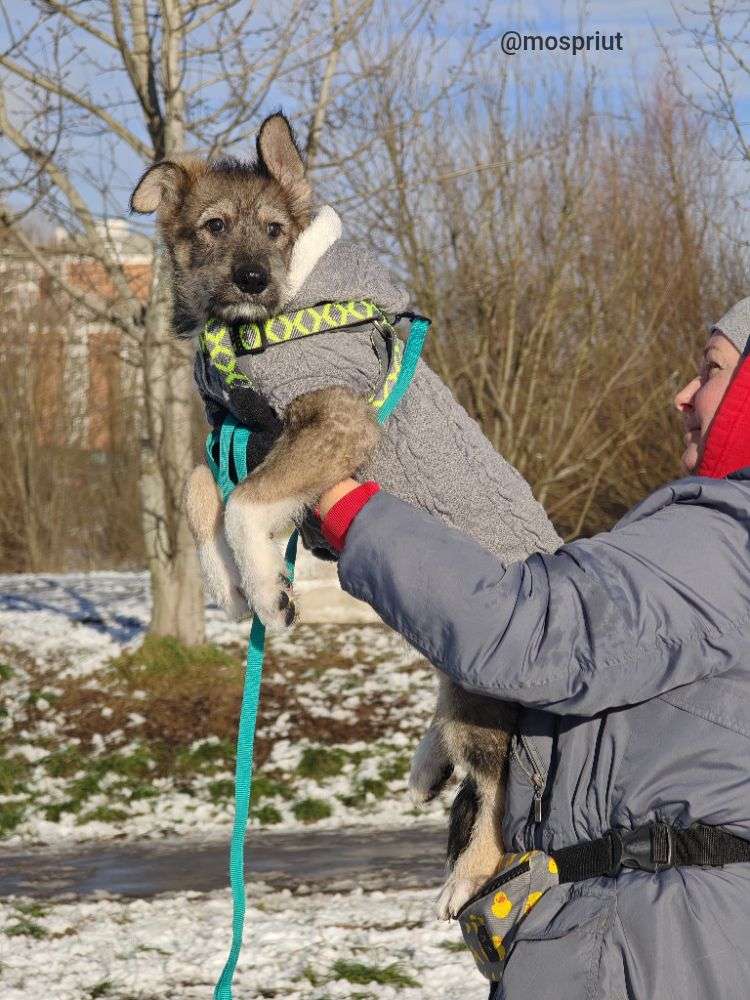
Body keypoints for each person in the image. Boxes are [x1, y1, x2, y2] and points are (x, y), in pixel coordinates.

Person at [314, 299, 750, 999]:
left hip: (651, 954)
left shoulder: (723, 543)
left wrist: (342, 504)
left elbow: (526, 633)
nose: (685, 394)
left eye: (712, 371)